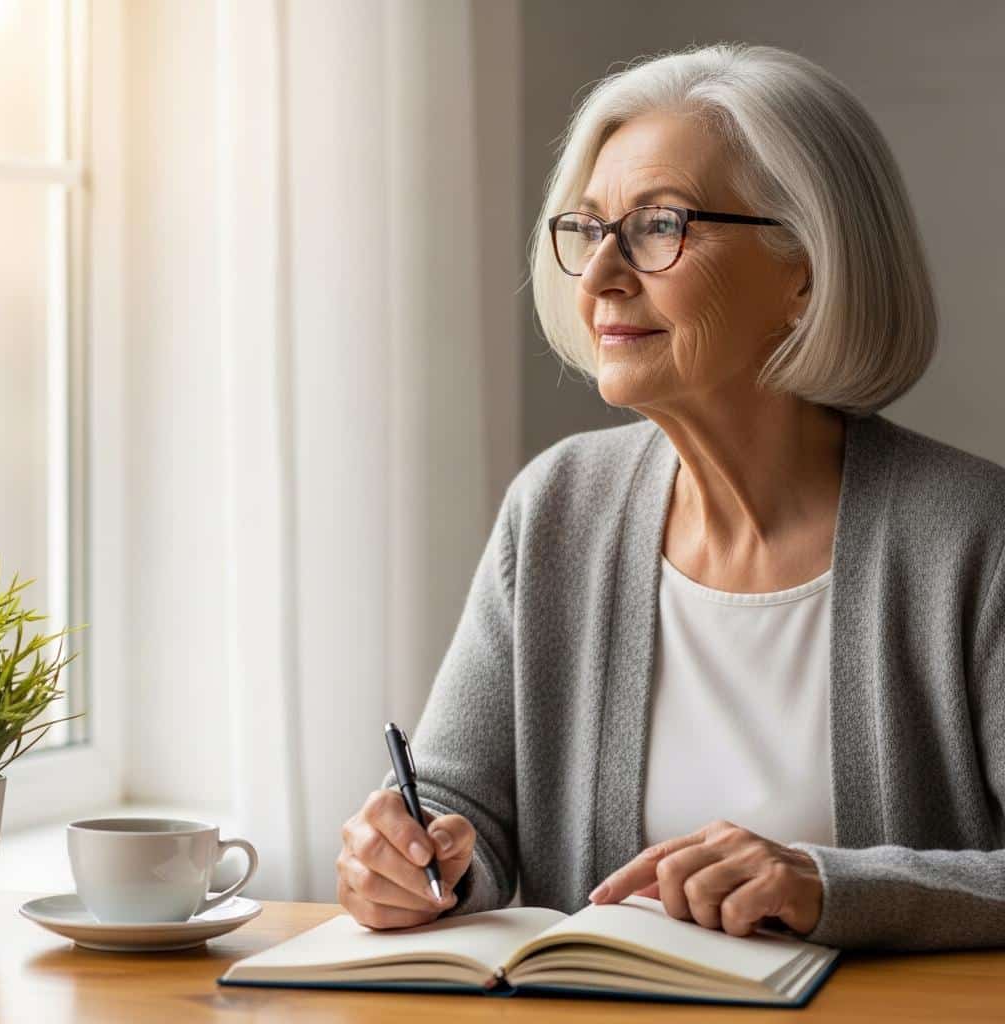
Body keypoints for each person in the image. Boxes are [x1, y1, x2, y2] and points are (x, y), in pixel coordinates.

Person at [335, 43, 1005, 951]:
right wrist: (418, 862)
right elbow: (460, 809)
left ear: (803, 267)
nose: (603, 274)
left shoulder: (976, 540)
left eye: (658, 227)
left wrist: (830, 885)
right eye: (588, 227)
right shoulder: (558, 507)